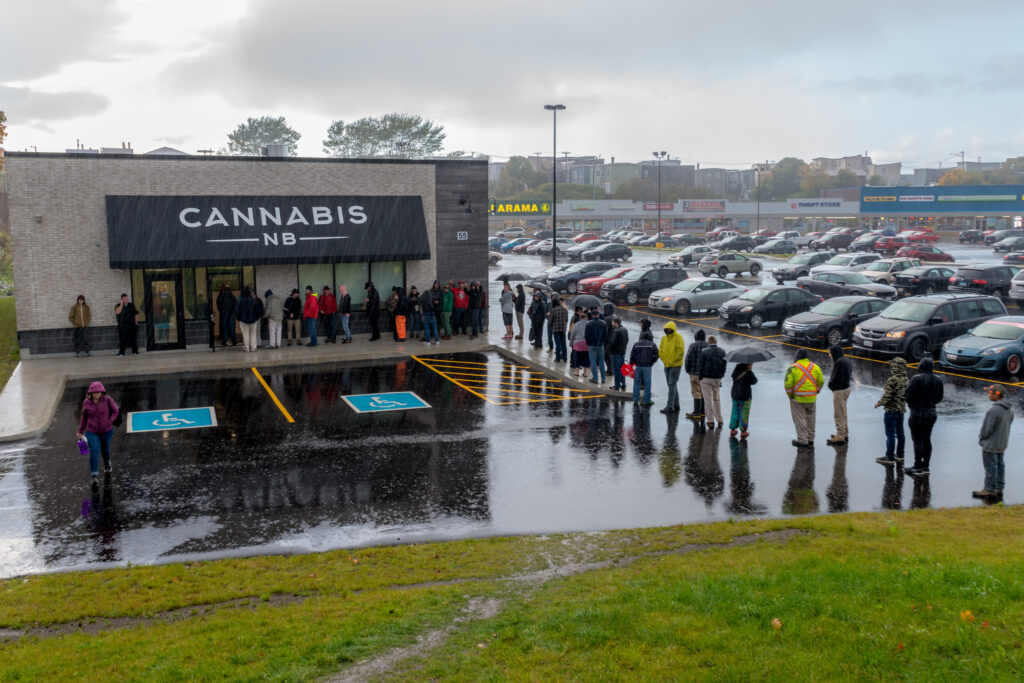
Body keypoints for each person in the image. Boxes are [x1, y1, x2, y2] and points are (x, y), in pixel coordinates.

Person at [905, 357, 944, 476]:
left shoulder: (916, 379)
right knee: (927, 438)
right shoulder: (938, 380)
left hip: (917, 412)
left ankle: (917, 466)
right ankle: (926, 466)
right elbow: (939, 398)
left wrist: (912, 405)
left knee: (917, 440)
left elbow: (908, 395)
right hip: (931, 413)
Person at [76, 381, 119, 488]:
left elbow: (115, 411)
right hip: (92, 432)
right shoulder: (86, 402)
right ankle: (94, 476)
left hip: (107, 430)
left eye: (99, 392)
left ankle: (107, 462)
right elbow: (84, 417)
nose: (97, 395)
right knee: (94, 450)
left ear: (102, 392)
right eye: (95, 393)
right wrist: (80, 431)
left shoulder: (108, 400)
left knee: (105, 449)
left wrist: (110, 421)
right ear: (91, 393)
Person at [974, 384, 1014, 500]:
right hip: (1002, 443)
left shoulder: (993, 410)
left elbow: (987, 429)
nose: (988, 394)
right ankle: (999, 487)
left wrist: (981, 438)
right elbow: (1009, 423)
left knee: (990, 467)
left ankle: (989, 490)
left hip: (990, 445)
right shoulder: (1010, 409)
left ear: (997, 395)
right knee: (1000, 465)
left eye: (990, 393)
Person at [784, 349, 824, 447]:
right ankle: (810, 438)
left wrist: (791, 396)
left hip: (798, 399)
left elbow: (788, 385)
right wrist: (816, 391)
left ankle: (802, 440)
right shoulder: (815, 367)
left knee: (800, 419)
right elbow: (821, 381)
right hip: (812, 398)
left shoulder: (792, 368)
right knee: (811, 418)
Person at [874, 357, 908, 465]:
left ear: (895, 366)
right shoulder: (906, 379)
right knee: (900, 433)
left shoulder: (892, 379)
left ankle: (889, 457)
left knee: (890, 434)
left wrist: (879, 403)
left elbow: (888, 395)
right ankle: (900, 455)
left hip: (891, 410)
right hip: (901, 410)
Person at [697, 334, 727, 428]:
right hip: (717, 379)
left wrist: (700, 377)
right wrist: (721, 376)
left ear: (708, 343)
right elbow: (724, 366)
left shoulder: (704, 352)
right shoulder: (722, 351)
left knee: (708, 400)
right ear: (716, 342)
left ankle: (710, 421)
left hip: (706, 378)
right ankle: (719, 419)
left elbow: (701, 366)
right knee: (717, 399)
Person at [826, 344, 853, 446]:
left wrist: (830, 386)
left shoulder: (839, 362)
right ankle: (845, 433)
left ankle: (840, 435)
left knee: (838, 414)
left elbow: (835, 377)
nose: (829, 355)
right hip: (846, 388)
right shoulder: (846, 360)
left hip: (839, 390)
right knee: (843, 412)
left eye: (830, 353)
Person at [658, 321, 685, 414]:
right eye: (667, 329)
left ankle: (670, 406)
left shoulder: (678, 338)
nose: (669, 330)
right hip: (667, 365)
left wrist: (672, 361)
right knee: (671, 385)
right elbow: (660, 350)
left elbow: (680, 352)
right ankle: (676, 404)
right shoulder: (664, 338)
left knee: (672, 384)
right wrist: (664, 360)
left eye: (670, 329)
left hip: (675, 365)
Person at [729, 362, 758, 438]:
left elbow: (733, 377)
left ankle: (732, 429)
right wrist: (750, 371)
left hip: (735, 394)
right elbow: (754, 381)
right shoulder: (748, 372)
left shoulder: (736, 369)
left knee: (735, 411)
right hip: (745, 396)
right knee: (744, 413)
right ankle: (743, 431)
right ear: (749, 364)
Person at [629, 330, 658, 405]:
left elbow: (632, 355)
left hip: (638, 366)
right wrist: (652, 362)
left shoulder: (636, 344)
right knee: (647, 384)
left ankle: (635, 400)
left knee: (636, 383)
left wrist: (631, 364)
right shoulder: (652, 344)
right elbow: (657, 355)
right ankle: (647, 400)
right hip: (647, 367)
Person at [683, 329, 707, 421]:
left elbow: (688, 358)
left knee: (696, 392)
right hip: (705, 374)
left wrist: (687, 370)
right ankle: (702, 412)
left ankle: (696, 412)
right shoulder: (707, 345)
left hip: (694, 373)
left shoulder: (692, 346)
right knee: (703, 392)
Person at [236, 287, 264, 352]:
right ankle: (253, 348)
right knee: (253, 334)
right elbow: (258, 311)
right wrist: (256, 318)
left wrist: (239, 319)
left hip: (243, 321)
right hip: (253, 320)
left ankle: (247, 348)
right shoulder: (254, 300)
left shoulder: (240, 301)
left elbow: (237, 311)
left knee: (245, 334)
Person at [585, 310, 608, 384]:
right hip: (600, 345)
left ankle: (595, 378)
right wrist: (602, 342)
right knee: (601, 361)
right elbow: (605, 335)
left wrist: (588, 343)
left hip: (591, 344)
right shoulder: (603, 323)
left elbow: (586, 335)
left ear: (592, 315)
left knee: (593, 362)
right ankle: (603, 378)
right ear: (598, 315)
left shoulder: (588, 323)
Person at [607, 316, 629, 390]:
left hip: (615, 353)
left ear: (616, 323)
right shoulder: (625, 330)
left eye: (612, 322)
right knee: (622, 369)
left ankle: (616, 386)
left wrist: (609, 350)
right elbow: (627, 340)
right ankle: (623, 384)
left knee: (616, 370)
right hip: (622, 352)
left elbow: (612, 342)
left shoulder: (616, 331)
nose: (611, 324)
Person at [568, 308, 589, 377]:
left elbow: (572, 334)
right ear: (586, 318)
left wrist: (571, 343)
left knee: (577, 357)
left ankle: (577, 372)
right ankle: (585, 373)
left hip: (577, 343)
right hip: (587, 343)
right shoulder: (589, 324)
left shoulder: (577, 324)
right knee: (586, 358)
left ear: (580, 318)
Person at [550, 296, 569, 362]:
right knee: (564, 343)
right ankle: (565, 357)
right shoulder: (564, 309)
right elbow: (566, 319)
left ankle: (557, 358)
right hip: (563, 329)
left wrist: (551, 327)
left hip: (556, 329)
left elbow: (550, 320)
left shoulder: (553, 310)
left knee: (557, 344)